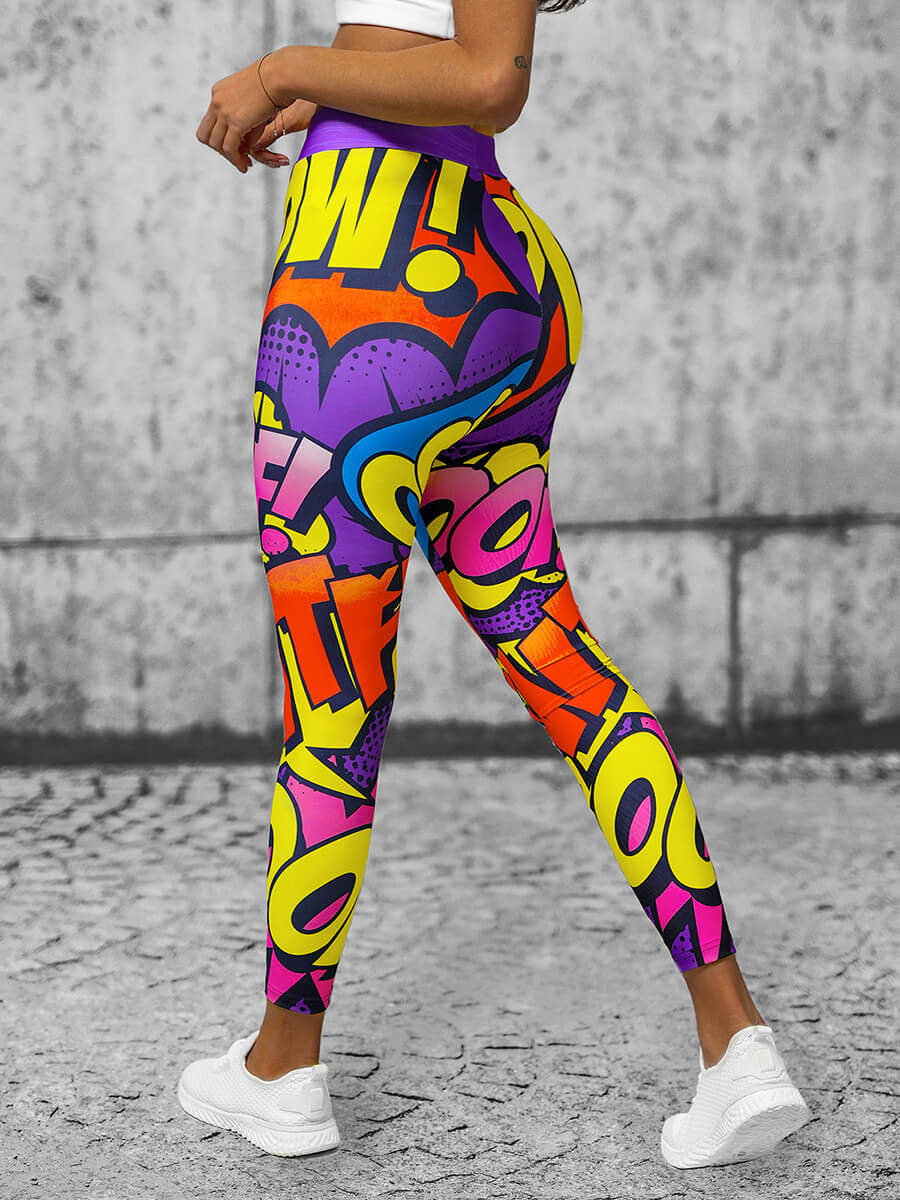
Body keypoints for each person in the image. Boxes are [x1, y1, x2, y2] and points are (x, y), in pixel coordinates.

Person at [179, 0, 812, 1167]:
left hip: (366, 285)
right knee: (553, 647)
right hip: (493, 281)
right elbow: (435, 49)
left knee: (332, 703)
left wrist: (278, 68)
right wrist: (334, 91)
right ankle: (737, 1043)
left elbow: (487, 79)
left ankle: (282, 1067)